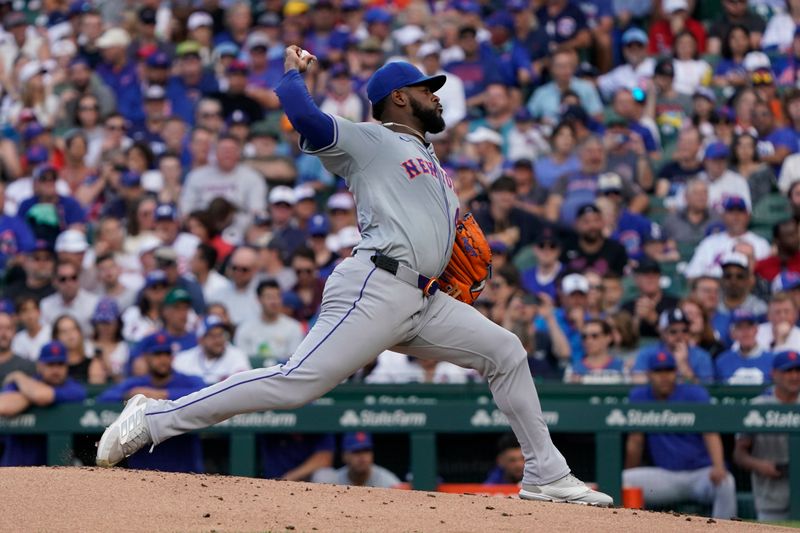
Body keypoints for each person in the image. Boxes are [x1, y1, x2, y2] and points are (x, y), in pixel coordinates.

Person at [96, 49, 612, 507]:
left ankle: (547, 472)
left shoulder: (429, 159)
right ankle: (153, 418)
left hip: (423, 299)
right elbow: (304, 116)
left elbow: (451, 236)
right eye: (426, 89)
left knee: (506, 351)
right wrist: (292, 76)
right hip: (376, 284)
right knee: (295, 384)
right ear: (399, 98)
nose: (437, 97)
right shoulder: (370, 141)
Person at [623, 350, 737, 518]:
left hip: (701, 474)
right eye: (658, 372)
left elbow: (710, 433)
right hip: (665, 475)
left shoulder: (694, 394)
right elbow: (635, 441)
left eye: (668, 371)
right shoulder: (639, 396)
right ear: (649, 374)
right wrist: (632, 471)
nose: (664, 376)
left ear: (676, 372)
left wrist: (718, 466)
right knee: (625, 480)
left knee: (726, 482)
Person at [97, 332, 206, 473]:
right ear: (147, 357)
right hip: (143, 473)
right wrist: (128, 395)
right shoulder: (137, 384)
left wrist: (165, 395)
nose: (163, 359)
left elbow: (205, 391)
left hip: (185, 469)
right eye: (157, 354)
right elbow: (102, 399)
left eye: (167, 354)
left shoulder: (187, 381)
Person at [734, 350, 800, 521]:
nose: (794, 376)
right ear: (774, 374)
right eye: (788, 371)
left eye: (797, 370)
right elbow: (739, 453)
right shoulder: (758, 405)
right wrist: (759, 465)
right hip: (770, 492)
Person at [0, 341, 87, 466]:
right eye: (50, 364)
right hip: (14, 469)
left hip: (53, 475)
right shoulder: (26, 383)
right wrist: (33, 394)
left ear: (67, 366)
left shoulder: (74, 389)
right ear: (39, 366)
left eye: (60, 364)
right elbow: (3, 406)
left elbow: (42, 396)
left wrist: (18, 377)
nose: (56, 369)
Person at [684, 196, 771, 279]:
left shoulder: (760, 244)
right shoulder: (709, 243)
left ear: (748, 216)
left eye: (740, 211)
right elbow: (692, 275)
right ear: (723, 216)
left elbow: (765, 278)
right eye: (731, 211)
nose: (736, 216)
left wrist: (751, 258)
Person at [631, 308, 714, 384]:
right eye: (673, 331)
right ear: (663, 333)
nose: (680, 336)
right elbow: (638, 385)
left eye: (685, 331)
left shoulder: (702, 357)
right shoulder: (647, 354)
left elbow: (707, 392)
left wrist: (684, 366)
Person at [234, 280, 305, 367]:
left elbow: (295, 362)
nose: (274, 302)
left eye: (277, 297)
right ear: (259, 299)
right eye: (269, 297)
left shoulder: (294, 327)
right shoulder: (245, 328)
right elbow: (241, 360)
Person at [172, 315, 251, 385]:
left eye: (221, 335)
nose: (218, 340)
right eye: (212, 336)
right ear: (201, 340)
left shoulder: (237, 355)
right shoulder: (183, 359)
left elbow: (243, 385)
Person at [311, 432, 402, 488]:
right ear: (344, 456)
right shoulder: (335, 481)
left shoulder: (387, 481)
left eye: (366, 451)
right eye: (356, 451)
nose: (362, 457)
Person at [621, 258, 680, 338]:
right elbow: (624, 338)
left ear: (659, 277)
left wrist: (654, 319)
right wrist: (637, 318)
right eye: (645, 274)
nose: (651, 278)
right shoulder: (627, 307)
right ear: (636, 279)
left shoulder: (675, 304)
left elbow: (678, 336)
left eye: (654, 274)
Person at [715, 310, 775, 385]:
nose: (745, 332)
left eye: (749, 326)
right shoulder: (722, 362)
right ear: (732, 333)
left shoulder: (772, 360)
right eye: (739, 327)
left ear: (756, 330)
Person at [563, 319, 626, 384]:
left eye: (594, 336)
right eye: (584, 336)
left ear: (608, 338)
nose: (588, 341)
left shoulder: (622, 368)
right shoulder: (573, 370)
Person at [0, 311, 35, 383]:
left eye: (8, 328)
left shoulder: (26, 366)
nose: (3, 333)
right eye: (0, 328)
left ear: (14, 332)